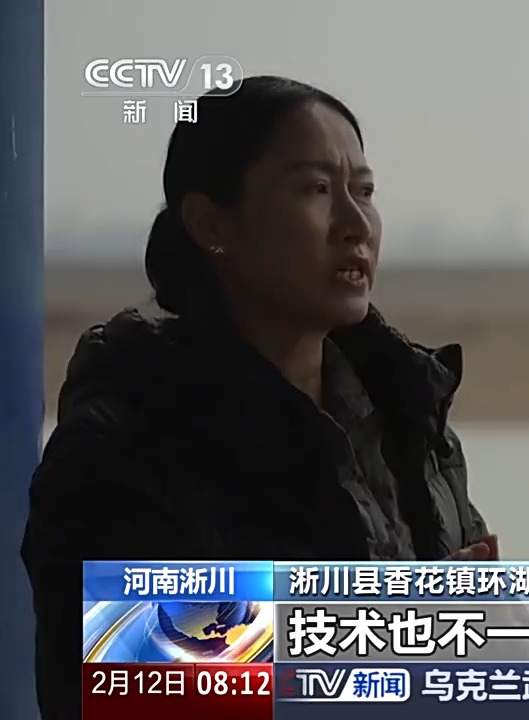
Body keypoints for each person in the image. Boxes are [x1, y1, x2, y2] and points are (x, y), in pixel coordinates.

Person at [22, 76, 498, 720]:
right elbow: (120, 678)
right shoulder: (127, 442)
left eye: (363, 192)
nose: (355, 224)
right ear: (212, 223)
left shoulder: (409, 414)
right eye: (316, 190)